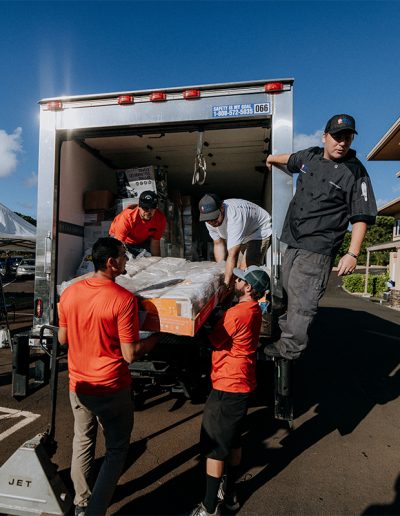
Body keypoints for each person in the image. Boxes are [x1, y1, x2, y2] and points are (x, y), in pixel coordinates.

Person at [58, 237, 158, 515]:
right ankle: (95, 511)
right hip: (111, 386)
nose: (127, 260)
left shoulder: (70, 293)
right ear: (112, 262)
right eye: (124, 255)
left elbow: (63, 339)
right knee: (116, 449)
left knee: (83, 440)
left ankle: (81, 503)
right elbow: (130, 354)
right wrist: (154, 339)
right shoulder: (123, 299)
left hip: (78, 384)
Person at [264, 114, 377, 360]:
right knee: (284, 292)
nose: (342, 143)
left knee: (302, 301)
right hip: (293, 240)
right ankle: (284, 335)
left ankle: (289, 349)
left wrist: (352, 253)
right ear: (324, 136)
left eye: (347, 138)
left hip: (318, 248)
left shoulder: (355, 172)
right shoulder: (311, 156)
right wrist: (272, 158)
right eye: (337, 137)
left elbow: (360, 216)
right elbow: (291, 159)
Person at [190, 265, 270, 516]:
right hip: (243, 381)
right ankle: (231, 492)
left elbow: (215, 340)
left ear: (248, 287)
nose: (236, 280)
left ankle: (209, 506)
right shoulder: (254, 309)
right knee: (234, 440)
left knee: (215, 447)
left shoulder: (236, 313)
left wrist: (202, 321)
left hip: (228, 383)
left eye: (241, 280)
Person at [198, 194, 272, 292]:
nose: (212, 222)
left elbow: (233, 254)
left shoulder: (234, 217)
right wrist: (221, 272)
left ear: (222, 208)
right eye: (208, 220)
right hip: (245, 233)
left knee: (244, 272)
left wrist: (225, 284)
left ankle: (248, 299)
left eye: (214, 218)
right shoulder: (209, 220)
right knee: (235, 271)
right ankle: (235, 296)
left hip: (259, 230)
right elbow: (218, 243)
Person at [109, 190, 167, 257]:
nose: (149, 211)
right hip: (121, 239)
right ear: (139, 207)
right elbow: (118, 244)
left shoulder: (160, 219)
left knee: (149, 258)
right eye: (145, 208)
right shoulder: (127, 218)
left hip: (141, 240)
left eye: (152, 207)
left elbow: (155, 243)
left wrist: (157, 261)